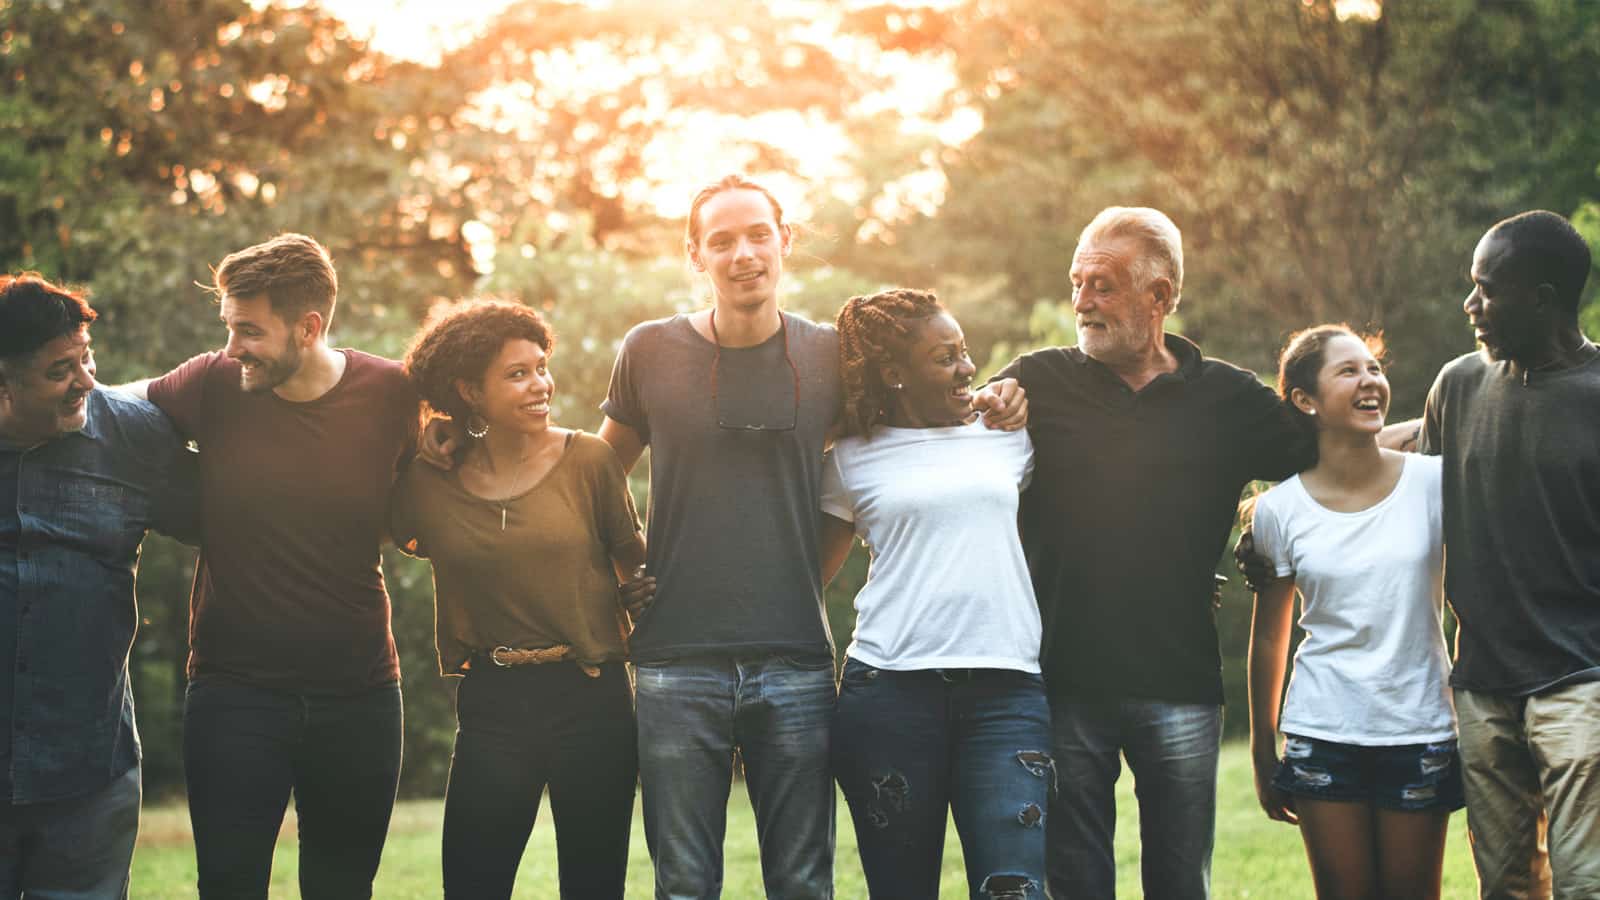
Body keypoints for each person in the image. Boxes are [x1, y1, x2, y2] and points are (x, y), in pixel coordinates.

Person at [994, 206, 1311, 899]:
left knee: (1180, 884)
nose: (1082, 302)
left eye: (1102, 285)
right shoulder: (1037, 383)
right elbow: (956, 441)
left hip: (1182, 686)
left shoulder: (1227, 397)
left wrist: (1264, 528)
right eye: (1077, 283)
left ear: (1160, 296)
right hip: (1063, 682)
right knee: (1074, 881)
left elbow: (1333, 463)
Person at [120, 234, 418, 898]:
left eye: (248, 331)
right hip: (234, 696)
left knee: (343, 889)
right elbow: (109, 411)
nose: (232, 348)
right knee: (228, 886)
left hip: (360, 697)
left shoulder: (393, 393)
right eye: (228, 327)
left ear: (308, 328)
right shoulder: (213, 384)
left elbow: (440, 475)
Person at [391, 299, 650, 900]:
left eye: (541, 366)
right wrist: (421, 427)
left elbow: (635, 561)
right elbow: (362, 446)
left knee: (593, 885)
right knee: (473, 883)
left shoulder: (589, 459)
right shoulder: (428, 482)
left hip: (592, 695)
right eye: (517, 373)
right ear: (469, 391)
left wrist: (646, 595)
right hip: (493, 699)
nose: (541, 385)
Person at [819, 289, 1052, 900]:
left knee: (1016, 889)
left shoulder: (1009, 436)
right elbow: (808, 576)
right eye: (945, 357)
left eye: (965, 353)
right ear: (894, 374)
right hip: (890, 694)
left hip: (1007, 695)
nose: (968, 369)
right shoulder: (848, 458)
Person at [1245, 325, 1461, 900]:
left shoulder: (1435, 484)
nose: (1370, 381)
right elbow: (1271, 637)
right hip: (1323, 731)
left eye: (1374, 369)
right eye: (1348, 371)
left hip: (1419, 727)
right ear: (1304, 400)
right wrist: (1264, 751)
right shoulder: (1278, 511)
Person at [1420, 210, 1600, 898]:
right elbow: (1401, 481)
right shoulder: (1457, 386)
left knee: (1586, 884)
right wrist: (1280, 513)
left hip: (1582, 681)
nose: (1471, 305)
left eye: (1486, 289)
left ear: (1542, 298)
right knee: (1506, 888)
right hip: (1484, 687)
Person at [0, 274, 196, 899]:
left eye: (87, 357)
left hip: (90, 770)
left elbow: (244, 515)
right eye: (61, 369)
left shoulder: (132, 436)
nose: (86, 381)